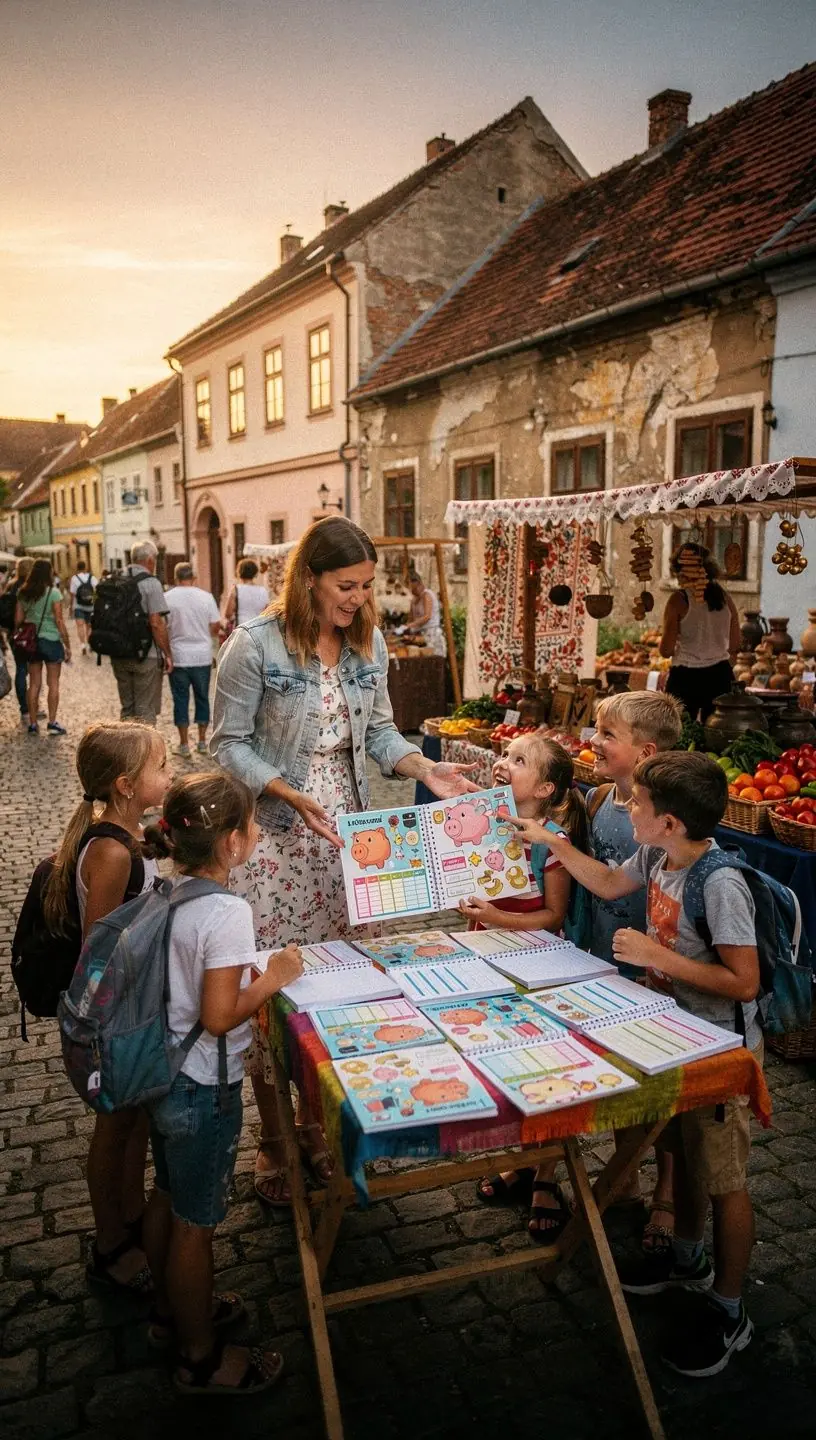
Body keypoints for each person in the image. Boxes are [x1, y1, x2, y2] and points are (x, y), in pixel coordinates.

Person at [211, 515, 478, 1205]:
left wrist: (429, 767)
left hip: (344, 839)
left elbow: (383, 732)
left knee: (336, 987)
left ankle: (316, 1125)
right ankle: (272, 1144)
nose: (358, 598)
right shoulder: (254, 645)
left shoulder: (368, 643)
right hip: (273, 838)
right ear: (307, 579)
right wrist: (285, 790)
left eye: (365, 586)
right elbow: (227, 744)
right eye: (345, 585)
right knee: (273, 990)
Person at [514, 753, 761, 1376]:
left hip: (720, 1056)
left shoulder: (720, 883)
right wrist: (550, 840)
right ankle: (686, 1256)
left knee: (724, 1176)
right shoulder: (654, 858)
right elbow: (605, 881)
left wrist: (661, 957)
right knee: (681, 1152)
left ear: (670, 821)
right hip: (674, 1039)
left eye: (637, 804)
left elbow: (745, 983)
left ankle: (730, 1310)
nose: (625, 808)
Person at [141, 771, 302, 1395]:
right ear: (232, 843)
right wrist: (275, 975)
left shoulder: (166, 887)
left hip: (165, 1075)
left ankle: (169, 1313)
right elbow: (218, 1015)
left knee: (168, 1196)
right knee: (195, 1222)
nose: (258, 833)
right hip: (203, 1084)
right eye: (254, 824)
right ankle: (201, 1357)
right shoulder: (228, 910)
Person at [46, 721, 171, 1291]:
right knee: (114, 1127)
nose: (170, 776)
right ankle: (110, 1241)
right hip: (113, 1018)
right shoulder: (111, 854)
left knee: (134, 1121)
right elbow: (103, 944)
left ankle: (129, 1213)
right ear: (126, 785)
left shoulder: (120, 838)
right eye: (162, 768)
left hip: (131, 1012)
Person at [461, 734, 588, 1242]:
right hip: (484, 956)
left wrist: (495, 918)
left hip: (536, 966)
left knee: (545, 1066)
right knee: (507, 1060)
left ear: (546, 786)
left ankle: (547, 1178)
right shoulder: (484, 824)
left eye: (518, 761)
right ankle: (521, 1162)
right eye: (505, 754)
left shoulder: (553, 842)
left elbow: (553, 915)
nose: (503, 762)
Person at [585, 691, 683, 1253]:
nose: (595, 742)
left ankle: (667, 1194)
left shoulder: (660, 821)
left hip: (648, 973)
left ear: (644, 751)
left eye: (606, 735)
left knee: (659, 1089)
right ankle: (627, 1178)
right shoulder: (599, 796)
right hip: (603, 959)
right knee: (626, 1078)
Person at [661, 543, 741, 722]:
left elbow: (665, 650)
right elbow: (736, 644)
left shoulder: (678, 600)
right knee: (716, 734)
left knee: (678, 733)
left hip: (685, 676)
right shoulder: (725, 597)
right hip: (720, 675)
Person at [109, 540, 173, 726]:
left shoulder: (115, 579)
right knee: (145, 709)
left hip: (118, 652)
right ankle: (145, 753)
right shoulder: (151, 583)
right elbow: (156, 623)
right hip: (146, 655)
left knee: (127, 707)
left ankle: (126, 751)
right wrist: (168, 654)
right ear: (150, 560)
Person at [165, 562, 222, 757]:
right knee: (202, 698)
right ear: (194, 577)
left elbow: (163, 627)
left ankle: (183, 745)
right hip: (201, 655)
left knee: (180, 699)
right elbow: (215, 626)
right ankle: (202, 742)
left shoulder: (167, 598)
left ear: (175, 577)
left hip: (178, 655)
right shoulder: (206, 597)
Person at [15, 558, 72, 735]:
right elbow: (59, 620)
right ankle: (52, 722)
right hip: (51, 640)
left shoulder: (23, 593)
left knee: (33, 684)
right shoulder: (54, 593)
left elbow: (18, 620)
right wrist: (67, 644)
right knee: (53, 683)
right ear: (49, 573)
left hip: (32, 643)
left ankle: (32, 724)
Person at [1, 555, 34, 724]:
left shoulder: (10, 586)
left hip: (14, 635)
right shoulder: (31, 587)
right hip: (29, 633)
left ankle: (25, 709)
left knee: (21, 669)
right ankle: (32, 706)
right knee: (32, 672)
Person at [404, 570, 447, 656]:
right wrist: (405, 628)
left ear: (417, 583)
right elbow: (410, 619)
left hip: (432, 635)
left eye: (411, 587)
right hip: (419, 637)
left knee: (433, 661)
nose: (411, 590)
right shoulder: (413, 600)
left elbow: (427, 616)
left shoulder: (427, 595)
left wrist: (410, 625)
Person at [222, 558, 269, 632]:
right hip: (258, 630)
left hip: (241, 630)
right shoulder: (263, 591)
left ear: (239, 572)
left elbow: (228, 614)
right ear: (255, 573)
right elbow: (267, 612)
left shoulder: (236, 589)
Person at [69, 561, 97, 655]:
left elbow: (72, 594)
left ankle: (82, 645)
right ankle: (89, 644)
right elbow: (96, 591)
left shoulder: (74, 578)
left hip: (78, 606)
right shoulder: (92, 577)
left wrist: (71, 607)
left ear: (77, 568)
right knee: (89, 626)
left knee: (80, 626)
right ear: (85, 567)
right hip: (90, 606)